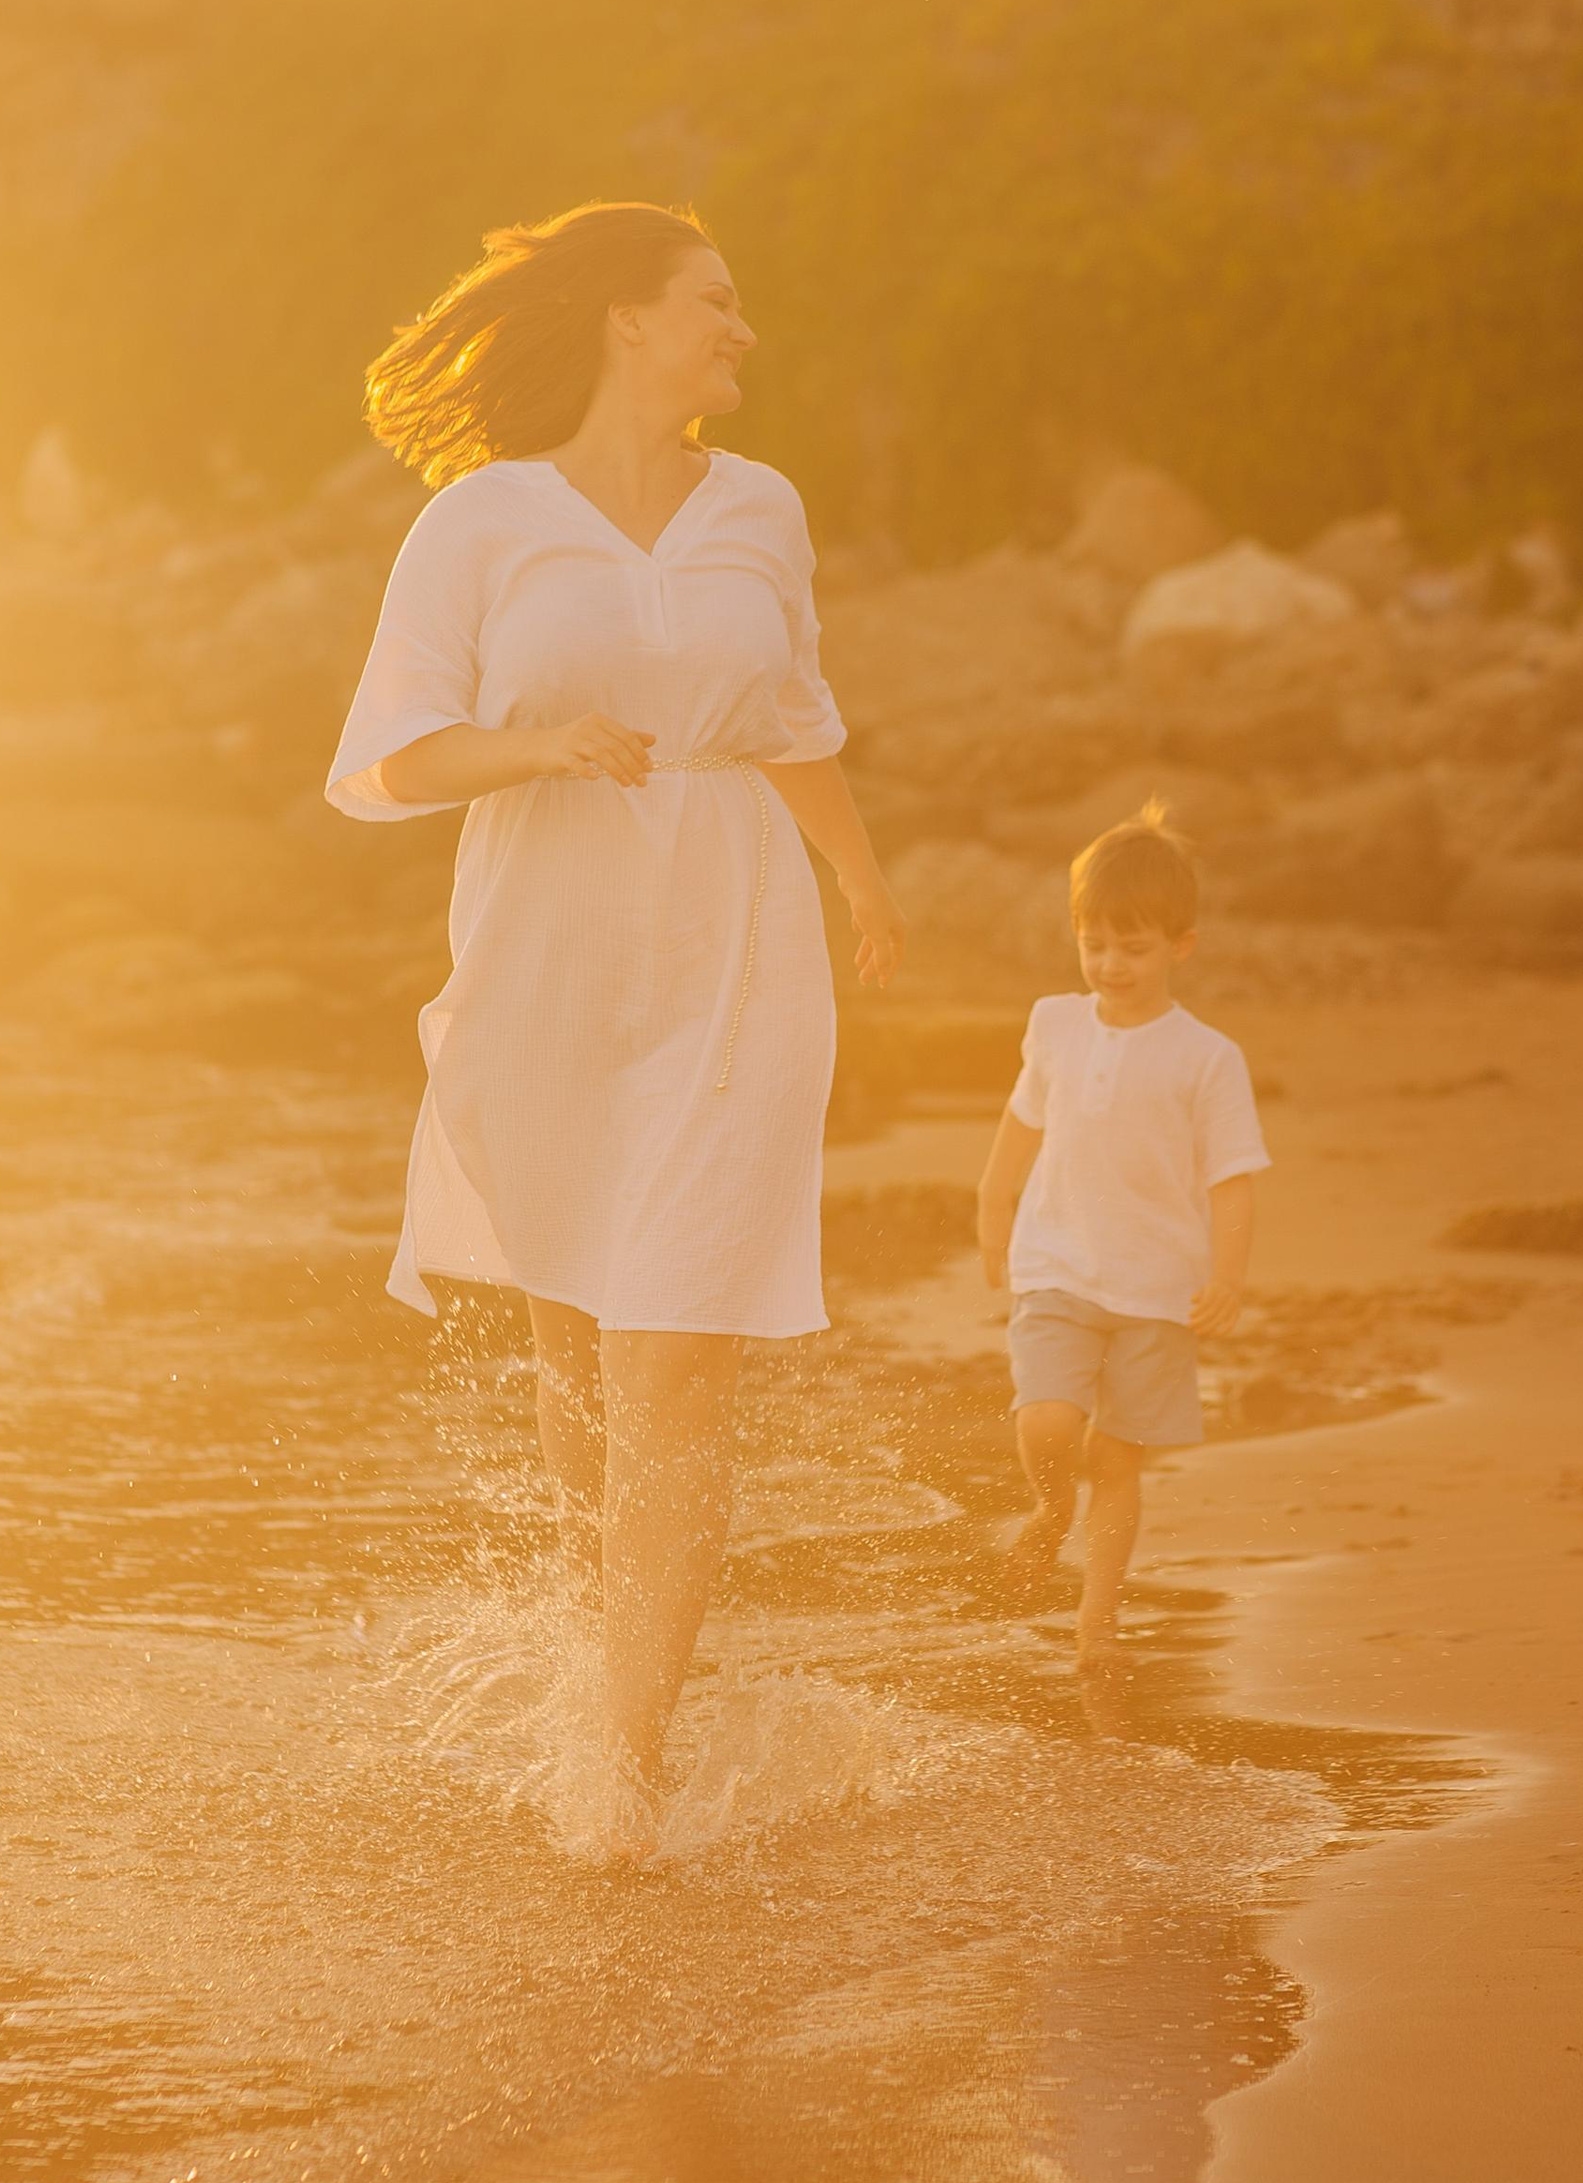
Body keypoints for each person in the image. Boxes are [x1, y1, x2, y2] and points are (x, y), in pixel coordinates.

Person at [326, 202, 904, 1827]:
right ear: (626, 320)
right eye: (715, 301)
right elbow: (383, 758)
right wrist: (540, 747)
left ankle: (623, 1768)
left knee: (681, 1365)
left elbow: (789, 714)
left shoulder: (760, 509)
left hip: (734, 946)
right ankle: (609, 1646)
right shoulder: (481, 523)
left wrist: (856, 872)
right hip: (549, 959)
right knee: (576, 1347)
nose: (742, 330)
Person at [975, 807, 1267, 1657]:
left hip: (1158, 1290)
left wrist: (1227, 1280)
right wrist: (994, 1210)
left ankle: (1096, 1618)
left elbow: (1233, 1179)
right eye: (1094, 944)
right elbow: (1020, 1122)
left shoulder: (1207, 1058)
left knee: (1121, 1462)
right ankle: (1048, 1507)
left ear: (1182, 946)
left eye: (1133, 948)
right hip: (1055, 1265)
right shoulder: (1055, 1025)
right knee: (1049, 1424)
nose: (1111, 965)